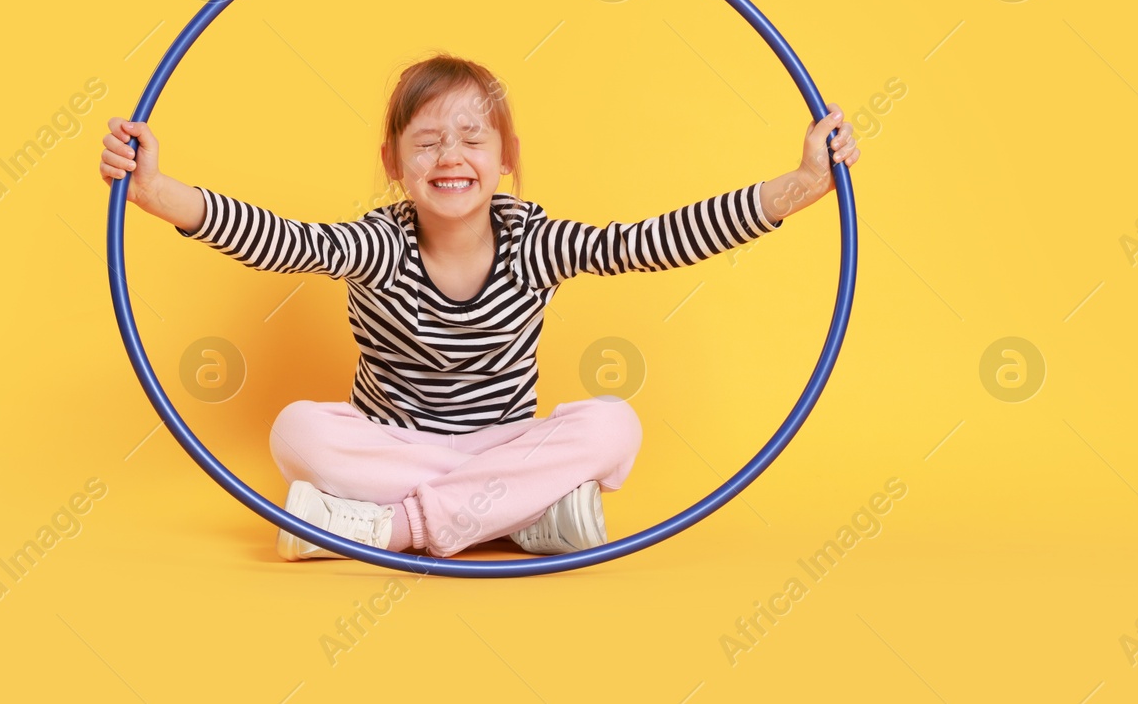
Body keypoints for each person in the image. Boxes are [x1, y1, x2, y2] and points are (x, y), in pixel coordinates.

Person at [98, 53, 859, 560]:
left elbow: (651, 241)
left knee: (613, 424)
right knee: (296, 429)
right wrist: (159, 192)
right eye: (426, 142)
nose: (451, 156)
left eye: (471, 137)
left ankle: (398, 529)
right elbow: (284, 240)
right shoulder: (378, 244)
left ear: (506, 158)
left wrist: (799, 185)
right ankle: (516, 516)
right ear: (395, 164)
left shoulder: (535, 241)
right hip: (393, 444)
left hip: (501, 444)